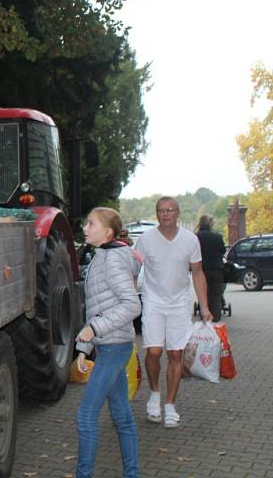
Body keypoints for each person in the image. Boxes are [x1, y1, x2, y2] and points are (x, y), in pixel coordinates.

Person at [75, 207, 142, 478]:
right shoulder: (103, 255)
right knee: (122, 416)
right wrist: (85, 347)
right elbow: (99, 307)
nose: (85, 228)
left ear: (108, 232)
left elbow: (132, 305)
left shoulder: (111, 259)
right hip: (110, 345)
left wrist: (93, 329)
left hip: (115, 347)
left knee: (85, 416)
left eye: (91, 224)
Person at [135, 196, 212, 429]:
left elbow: (197, 272)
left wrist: (205, 306)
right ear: (156, 214)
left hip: (179, 303)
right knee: (154, 351)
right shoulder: (146, 240)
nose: (165, 214)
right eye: (161, 210)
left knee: (176, 354)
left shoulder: (190, 240)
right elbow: (132, 268)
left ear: (177, 213)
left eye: (170, 210)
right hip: (153, 302)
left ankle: (170, 406)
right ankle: (155, 394)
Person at [195, 214, 227, 322]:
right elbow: (223, 250)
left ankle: (205, 319)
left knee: (203, 295)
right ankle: (216, 319)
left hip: (201, 269)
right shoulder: (217, 236)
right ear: (210, 223)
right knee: (216, 296)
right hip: (217, 269)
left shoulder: (196, 236)